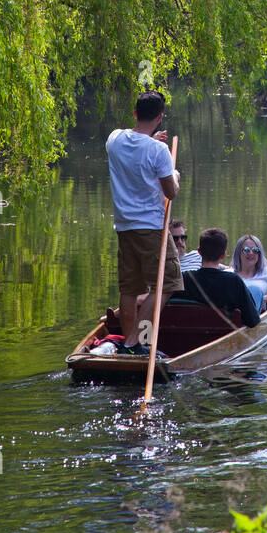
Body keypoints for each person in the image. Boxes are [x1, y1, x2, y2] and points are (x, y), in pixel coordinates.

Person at [105, 91, 183, 351]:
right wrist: (174, 174)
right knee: (167, 283)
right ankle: (132, 342)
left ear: (135, 113)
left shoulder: (114, 140)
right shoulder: (159, 150)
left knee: (129, 289)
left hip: (124, 228)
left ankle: (132, 350)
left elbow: (135, 146)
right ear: (159, 117)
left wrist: (150, 140)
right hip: (151, 229)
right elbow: (170, 192)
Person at [180, 228, 261, 328]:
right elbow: (252, 320)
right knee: (256, 292)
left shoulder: (185, 279)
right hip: (226, 336)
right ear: (223, 255)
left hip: (191, 333)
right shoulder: (234, 282)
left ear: (199, 252)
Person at [232, 234, 267, 312]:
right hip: (232, 314)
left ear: (259, 254)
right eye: (246, 250)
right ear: (238, 253)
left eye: (255, 250)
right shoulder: (229, 274)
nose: (251, 253)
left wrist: (263, 299)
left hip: (254, 316)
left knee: (254, 290)